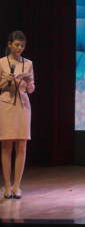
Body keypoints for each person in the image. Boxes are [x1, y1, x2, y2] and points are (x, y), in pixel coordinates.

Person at [0, 31, 35, 199]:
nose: (20, 48)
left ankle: (17, 187)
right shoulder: (1, 62)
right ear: (9, 45)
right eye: (17, 45)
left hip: (23, 105)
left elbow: (31, 89)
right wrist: (5, 80)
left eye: (22, 45)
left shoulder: (28, 63)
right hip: (6, 104)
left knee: (21, 145)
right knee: (7, 146)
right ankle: (7, 186)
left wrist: (28, 82)